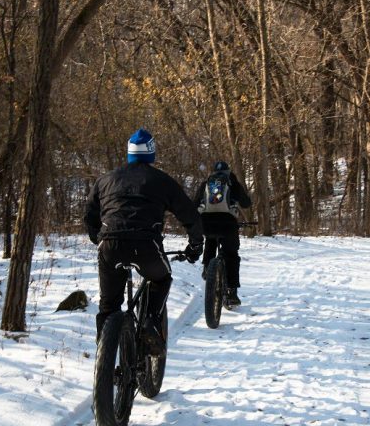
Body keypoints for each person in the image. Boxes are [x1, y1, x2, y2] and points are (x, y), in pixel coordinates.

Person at [84, 128, 203, 355]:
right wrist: (195, 246)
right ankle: (150, 322)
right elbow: (190, 216)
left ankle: (104, 354)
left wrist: (97, 238)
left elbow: (89, 214)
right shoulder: (162, 181)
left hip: (110, 246)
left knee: (108, 306)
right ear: (151, 153)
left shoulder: (106, 179)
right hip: (146, 246)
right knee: (162, 278)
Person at [194, 161, 251, 306]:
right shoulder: (232, 182)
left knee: (210, 240)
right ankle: (232, 292)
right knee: (231, 254)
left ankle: (208, 268)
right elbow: (246, 203)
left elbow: (194, 204)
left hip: (207, 222)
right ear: (228, 171)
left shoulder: (207, 183)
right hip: (228, 224)